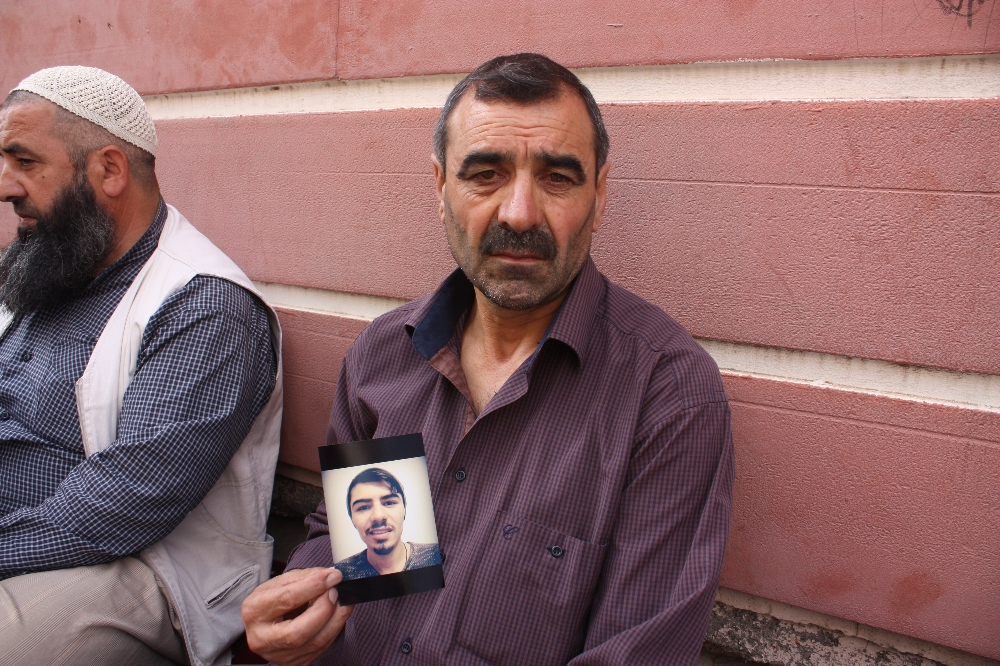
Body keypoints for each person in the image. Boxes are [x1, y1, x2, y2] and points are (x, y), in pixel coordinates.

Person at [242, 53, 734, 666]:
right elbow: (353, 549)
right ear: (440, 187)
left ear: (600, 193)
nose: (519, 213)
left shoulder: (666, 395)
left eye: (557, 178)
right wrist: (294, 610)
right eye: (486, 174)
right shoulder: (386, 356)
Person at [0, 66, 283, 666]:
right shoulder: (45, 265)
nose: (6, 186)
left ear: (109, 170)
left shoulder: (205, 306)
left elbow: (123, 503)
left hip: (140, 567)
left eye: (25, 162)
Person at [335, 468, 440, 580]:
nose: (378, 516)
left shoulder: (435, 555)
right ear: (352, 519)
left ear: (404, 510)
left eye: (389, 503)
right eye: (363, 507)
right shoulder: (341, 573)